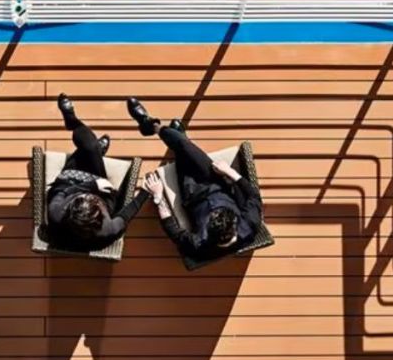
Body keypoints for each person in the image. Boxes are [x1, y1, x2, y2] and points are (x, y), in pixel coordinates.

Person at [127, 97, 263, 259]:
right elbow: (254, 196)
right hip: (217, 181)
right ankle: (156, 128)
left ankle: (153, 127)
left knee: (183, 151)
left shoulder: (199, 246)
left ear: (210, 232)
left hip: (192, 194)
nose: (215, 211)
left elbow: (174, 232)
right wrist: (229, 172)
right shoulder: (249, 226)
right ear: (234, 223)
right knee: (184, 147)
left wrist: (158, 197)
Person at [45, 93, 147, 251]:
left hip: (70, 183)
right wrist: (146, 192)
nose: (86, 196)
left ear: (69, 211)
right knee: (91, 148)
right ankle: (81, 133)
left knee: (89, 149)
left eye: (80, 199)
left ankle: (74, 124)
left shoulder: (56, 214)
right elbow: (126, 214)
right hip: (103, 192)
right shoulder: (107, 230)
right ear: (100, 218)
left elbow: (61, 192)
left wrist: (90, 186)